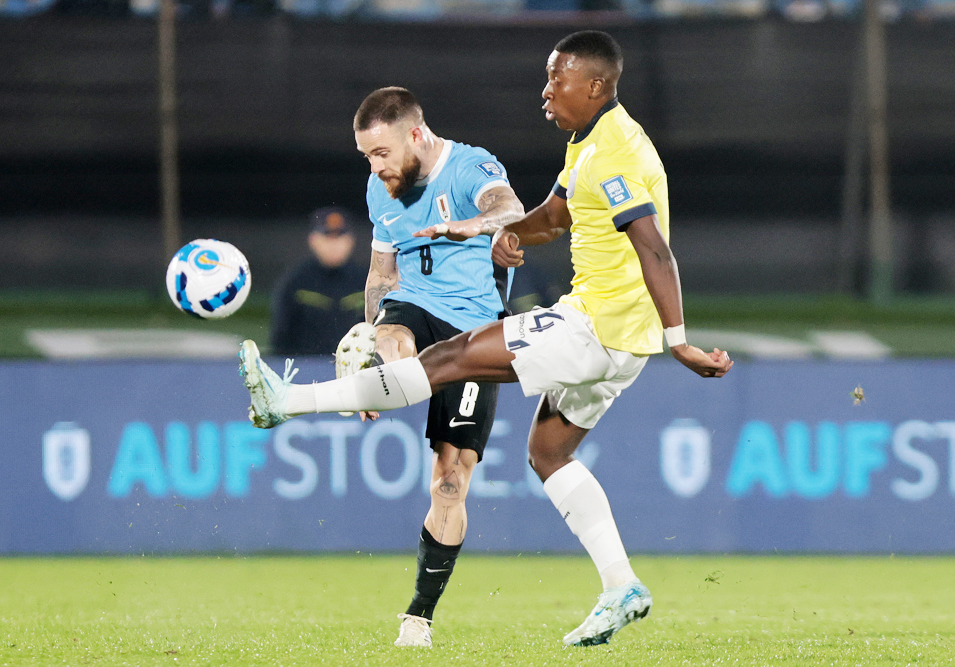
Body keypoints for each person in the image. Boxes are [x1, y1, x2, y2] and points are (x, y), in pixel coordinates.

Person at [238, 32, 733, 647]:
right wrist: (515, 236)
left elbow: (654, 248)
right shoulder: (589, 144)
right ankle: (621, 586)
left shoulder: (614, 155)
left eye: (559, 80)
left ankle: (284, 403)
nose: (545, 91)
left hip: (599, 326)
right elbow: (552, 217)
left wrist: (679, 340)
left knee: (450, 358)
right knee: (548, 454)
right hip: (621, 342)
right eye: (547, 77)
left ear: (597, 86)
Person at [275, 86, 526, 649]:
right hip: (414, 305)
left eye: (381, 152)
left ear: (416, 135)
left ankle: (419, 616)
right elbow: (381, 276)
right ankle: (376, 382)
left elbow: (510, 209)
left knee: (451, 480)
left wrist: (473, 225)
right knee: (392, 335)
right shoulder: (379, 186)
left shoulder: (470, 166)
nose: (375, 166)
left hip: (475, 331)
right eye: (367, 156)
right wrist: (369, 358)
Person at [269, 207, 366, 356]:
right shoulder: (296, 282)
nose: (333, 244)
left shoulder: (366, 282)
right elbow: (281, 336)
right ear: (313, 240)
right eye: (327, 237)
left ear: (350, 241)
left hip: (356, 373)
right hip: (307, 370)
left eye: (339, 237)